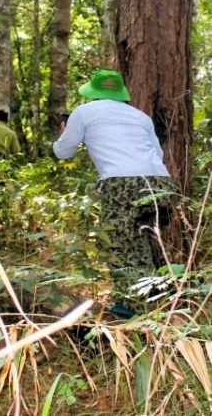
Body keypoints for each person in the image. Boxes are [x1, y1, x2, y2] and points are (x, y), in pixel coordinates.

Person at [52, 69, 176, 318]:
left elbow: (63, 152)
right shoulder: (140, 116)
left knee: (118, 240)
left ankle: (127, 305)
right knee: (140, 240)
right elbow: (158, 154)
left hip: (122, 182)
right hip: (160, 181)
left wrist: (64, 134)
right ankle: (148, 297)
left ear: (93, 92)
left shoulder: (84, 112)